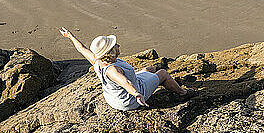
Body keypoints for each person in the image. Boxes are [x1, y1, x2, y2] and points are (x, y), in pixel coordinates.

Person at [59, 27, 189, 110]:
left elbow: (82, 48)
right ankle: (183, 94)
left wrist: (70, 36)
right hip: (129, 99)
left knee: (148, 69)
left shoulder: (97, 60)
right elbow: (125, 82)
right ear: (110, 52)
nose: (118, 45)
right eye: (115, 45)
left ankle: (163, 82)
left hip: (112, 97)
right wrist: (136, 94)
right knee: (163, 73)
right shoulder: (112, 70)